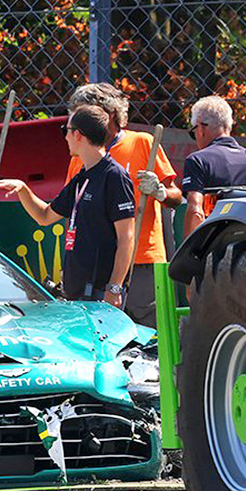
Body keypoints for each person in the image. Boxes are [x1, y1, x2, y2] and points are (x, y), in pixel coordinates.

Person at [0, 106, 134, 306]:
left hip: (100, 294)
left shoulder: (114, 176)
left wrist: (114, 287)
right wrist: (23, 189)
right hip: (76, 291)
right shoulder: (81, 177)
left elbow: (127, 237)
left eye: (66, 131)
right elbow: (45, 216)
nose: (65, 138)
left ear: (78, 134)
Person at [64, 83, 181, 326]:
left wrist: (159, 191)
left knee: (150, 336)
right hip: (97, 266)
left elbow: (176, 196)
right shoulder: (80, 158)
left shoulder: (142, 143)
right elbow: (71, 215)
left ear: (111, 115)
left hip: (142, 259)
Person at [182, 95, 246, 237]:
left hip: (214, 244)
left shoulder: (197, 161)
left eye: (193, 132)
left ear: (201, 128)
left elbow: (195, 210)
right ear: (229, 126)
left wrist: (189, 253)